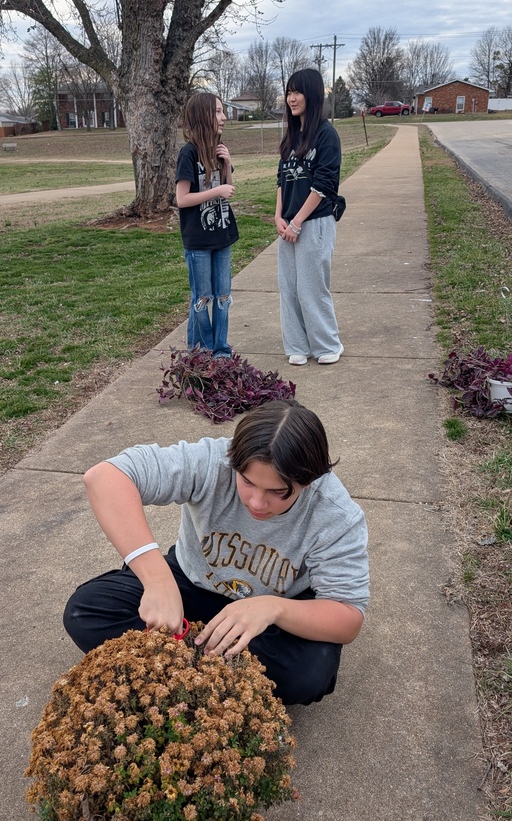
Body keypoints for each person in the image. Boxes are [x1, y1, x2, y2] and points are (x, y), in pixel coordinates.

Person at [63, 399, 370, 707]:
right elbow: (104, 477)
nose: (257, 503)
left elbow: (347, 618)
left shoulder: (334, 512)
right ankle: (208, 670)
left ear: (309, 481)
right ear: (233, 460)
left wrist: (274, 609)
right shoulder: (211, 462)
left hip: (278, 606)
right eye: (247, 482)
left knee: (308, 676)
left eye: (279, 492)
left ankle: (182, 660)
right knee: (85, 613)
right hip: (193, 582)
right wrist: (157, 580)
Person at [275, 68, 344, 366]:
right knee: (289, 289)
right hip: (288, 225)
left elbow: (323, 185)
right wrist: (278, 217)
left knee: (312, 287)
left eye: (298, 91)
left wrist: (297, 222)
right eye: (289, 92)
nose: (292, 98)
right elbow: (282, 180)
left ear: (313, 95)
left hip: (313, 223)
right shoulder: (291, 137)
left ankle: (327, 344)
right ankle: (297, 345)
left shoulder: (326, 135)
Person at [175, 93, 238, 358]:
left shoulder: (218, 149)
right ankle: (201, 353)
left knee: (223, 297)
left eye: (223, 112)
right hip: (198, 241)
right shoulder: (188, 153)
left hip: (222, 235)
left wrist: (227, 164)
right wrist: (218, 190)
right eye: (218, 112)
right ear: (203, 116)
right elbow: (182, 199)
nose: (224, 117)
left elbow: (228, 188)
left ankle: (221, 352)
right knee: (202, 298)